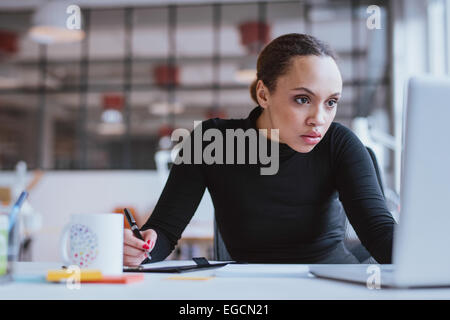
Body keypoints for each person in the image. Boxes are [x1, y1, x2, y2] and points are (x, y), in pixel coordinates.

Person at [123, 33, 397, 266]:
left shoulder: (340, 144)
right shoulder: (211, 141)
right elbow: (164, 232)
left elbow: (379, 234)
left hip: (330, 284)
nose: (320, 119)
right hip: (251, 289)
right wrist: (140, 250)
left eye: (331, 102)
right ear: (264, 94)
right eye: (303, 99)